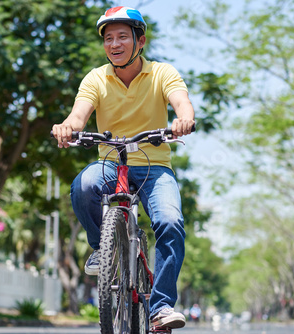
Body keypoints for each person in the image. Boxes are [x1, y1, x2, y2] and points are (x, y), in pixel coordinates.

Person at [51, 6, 195, 329]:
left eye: (122, 37)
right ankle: (103, 248)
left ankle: (160, 307)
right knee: (83, 186)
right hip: (111, 164)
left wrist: (183, 117)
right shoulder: (96, 79)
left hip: (154, 165)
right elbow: (78, 116)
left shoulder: (162, 73)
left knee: (171, 222)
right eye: (108, 38)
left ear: (139, 40)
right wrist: (67, 126)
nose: (114, 44)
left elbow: (181, 101)